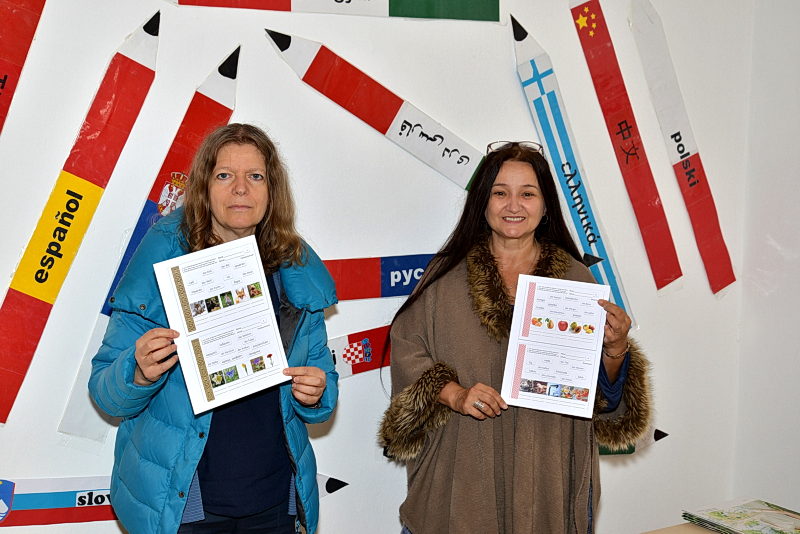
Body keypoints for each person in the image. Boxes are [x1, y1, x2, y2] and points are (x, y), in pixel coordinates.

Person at [379, 141, 651, 534]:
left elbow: (602, 399)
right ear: (482, 203)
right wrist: (455, 394)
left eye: (527, 194)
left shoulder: (576, 279)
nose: (513, 205)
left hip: (549, 470)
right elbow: (408, 351)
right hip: (461, 471)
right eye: (500, 192)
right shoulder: (444, 275)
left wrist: (615, 348)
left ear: (545, 206)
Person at [89, 123, 338, 534]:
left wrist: (317, 393)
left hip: (274, 502)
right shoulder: (161, 263)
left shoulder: (294, 269)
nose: (240, 188)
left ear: (272, 190)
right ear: (204, 187)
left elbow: (323, 388)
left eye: (255, 176)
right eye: (224, 175)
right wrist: (137, 372)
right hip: (188, 507)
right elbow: (106, 393)